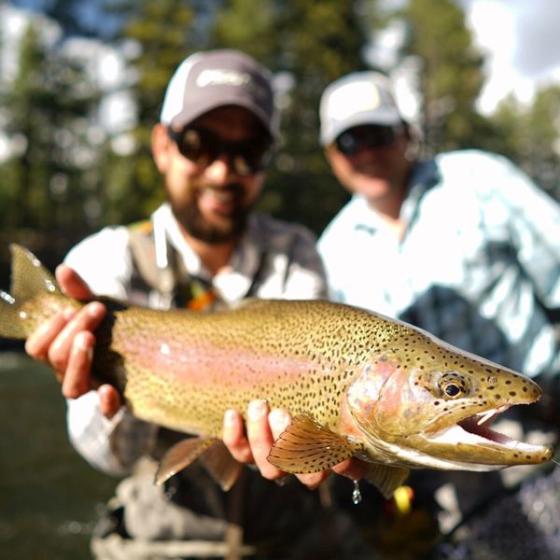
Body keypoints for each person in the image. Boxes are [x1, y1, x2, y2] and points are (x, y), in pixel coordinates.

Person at [25, 50, 369, 559]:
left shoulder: (295, 253)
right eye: (200, 144)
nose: (222, 171)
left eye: (247, 149)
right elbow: (106, 456)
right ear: (163, 146)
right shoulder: (106, 261)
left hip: (289, 536)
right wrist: (99, 385)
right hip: (162, 538)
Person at [317, 70, 560, 558]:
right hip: (431, 473)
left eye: (378, 134)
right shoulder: (331, 252)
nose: (366, 151)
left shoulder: (479, 179)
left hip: (541, 426)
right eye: (349, 140)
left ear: (407, 133)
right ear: (331, 157)